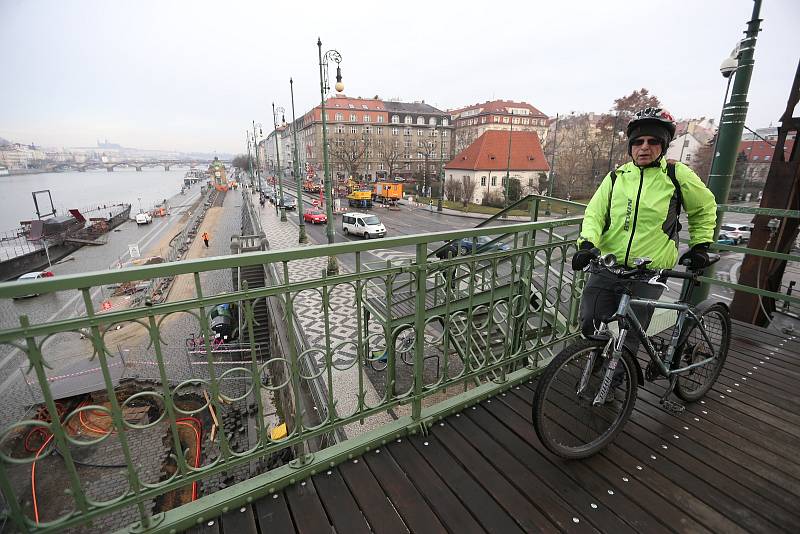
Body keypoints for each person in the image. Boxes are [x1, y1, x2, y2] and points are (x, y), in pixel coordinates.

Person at [572, 107, 717, 363]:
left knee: (630, 332)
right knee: (589, 320)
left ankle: (617, 382)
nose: (644, 147)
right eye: (638, 142)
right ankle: (597, 362)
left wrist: (700, 246)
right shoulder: (616, 177)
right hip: (610, 264)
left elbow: (704, 208)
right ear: (630, 146)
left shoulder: (676, 175)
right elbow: (595, 214)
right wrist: (587, 244)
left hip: (650, 270)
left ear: (663, 145)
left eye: (653, 142)